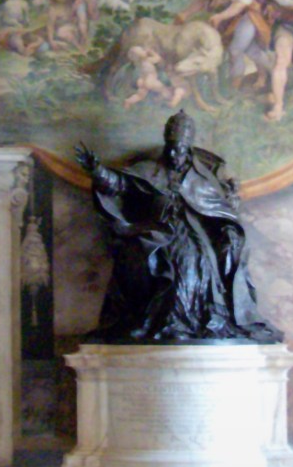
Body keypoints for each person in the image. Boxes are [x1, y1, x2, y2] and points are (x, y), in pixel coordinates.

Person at [74, 111, 277, 343]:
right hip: (153, 228)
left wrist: (229, 227)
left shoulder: (203, 177)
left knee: (191, 259)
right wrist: (98, 171)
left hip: (192, 231)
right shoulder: (150, 169)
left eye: (179, 149)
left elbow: (221, 210)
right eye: (170, 148)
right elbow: (120, 185)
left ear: (187, 150)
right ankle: (151, 321)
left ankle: (179, 321)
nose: (173, 154)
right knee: (144, 255)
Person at [121, 44, 185, 109]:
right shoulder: (147, 61)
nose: (145, 51)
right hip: (150, 80)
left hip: (142, 80)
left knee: (140, 95)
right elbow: (158, 58)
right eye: (142, 50)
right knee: (163, 89)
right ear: (141, 55)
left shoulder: (138, 63)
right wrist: (152, 52)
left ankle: (128, 101)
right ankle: (171, 103)